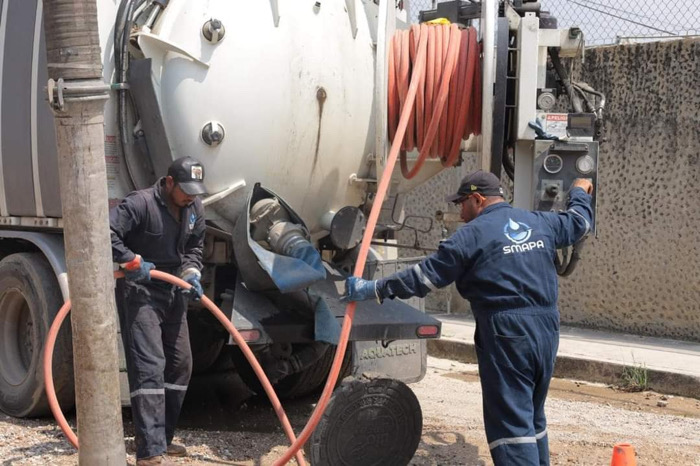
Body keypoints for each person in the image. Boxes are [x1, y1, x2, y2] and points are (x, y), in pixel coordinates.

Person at [342, 170, 593, 466]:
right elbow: (580, 222)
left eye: (462, 204)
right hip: (546, 329)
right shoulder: (540, 222)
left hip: (506, 330)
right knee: (532, 414)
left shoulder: (470, 236)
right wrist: (578, 189)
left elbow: (422, 278)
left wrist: (375, 288)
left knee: (511, 421)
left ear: (478, 199)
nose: (460, 213)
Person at [110, 156, 207, 466]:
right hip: (140, 290)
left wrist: (191, 272)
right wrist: (130, 261)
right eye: (185, 190)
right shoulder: (140, 204)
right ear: (168, 183)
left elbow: (194, 247)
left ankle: (162, 438)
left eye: (195, 191)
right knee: (150, 366)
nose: (190, 197)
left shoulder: (194, 209)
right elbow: (105, 232)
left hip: (173, 289)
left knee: (180, 365)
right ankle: (149, 451)